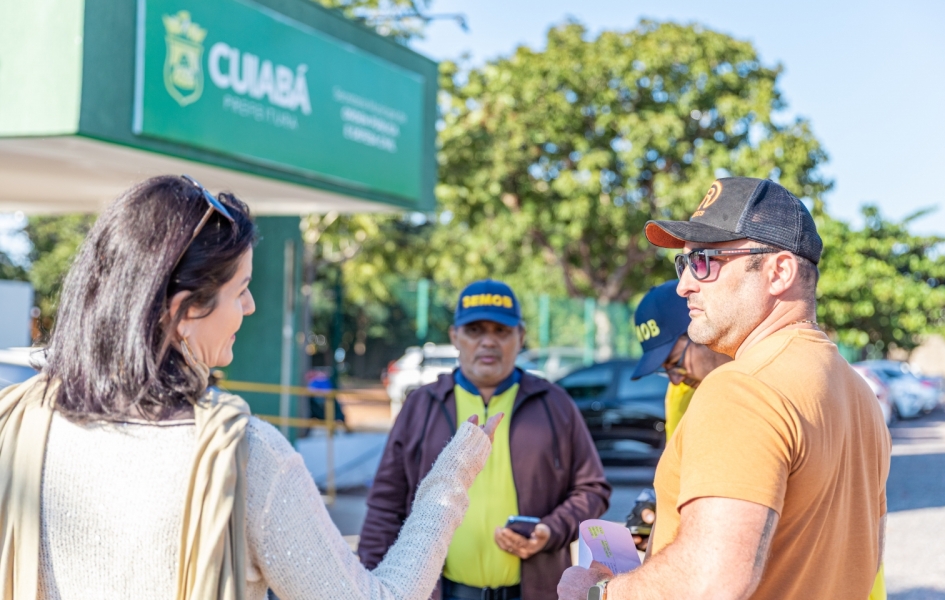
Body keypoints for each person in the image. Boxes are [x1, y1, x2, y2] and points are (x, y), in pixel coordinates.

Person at [4, 174, 501, 600]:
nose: (250, 308)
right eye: (240, 290)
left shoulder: (18, 422)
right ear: (183, 310)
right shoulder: (243, 456)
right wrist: (450, 481)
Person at [559, 177, 891, 599]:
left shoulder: (741, 388)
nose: (684, 286)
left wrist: (599, 593)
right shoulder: (858, 393)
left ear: (779, 272)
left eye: (704, 261)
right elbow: (867, 556)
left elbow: (712, 580)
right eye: (683, 265)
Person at [360, 279, 611, 600]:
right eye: (475, 331)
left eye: (501, 331)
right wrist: (370, 579)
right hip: (441, 592)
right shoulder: (422, 406)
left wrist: (551, 531)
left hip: (532, 592)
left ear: (520, 337)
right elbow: (385, 504)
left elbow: (593, 489)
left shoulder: (554, 404)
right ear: (455, 337)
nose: (488, 342)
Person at [628, 281, 730, 550]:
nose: (675, 380)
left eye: (675, 363)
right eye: (666, 370)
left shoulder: (763, 385)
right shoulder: (681, 393)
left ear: (703, 327)